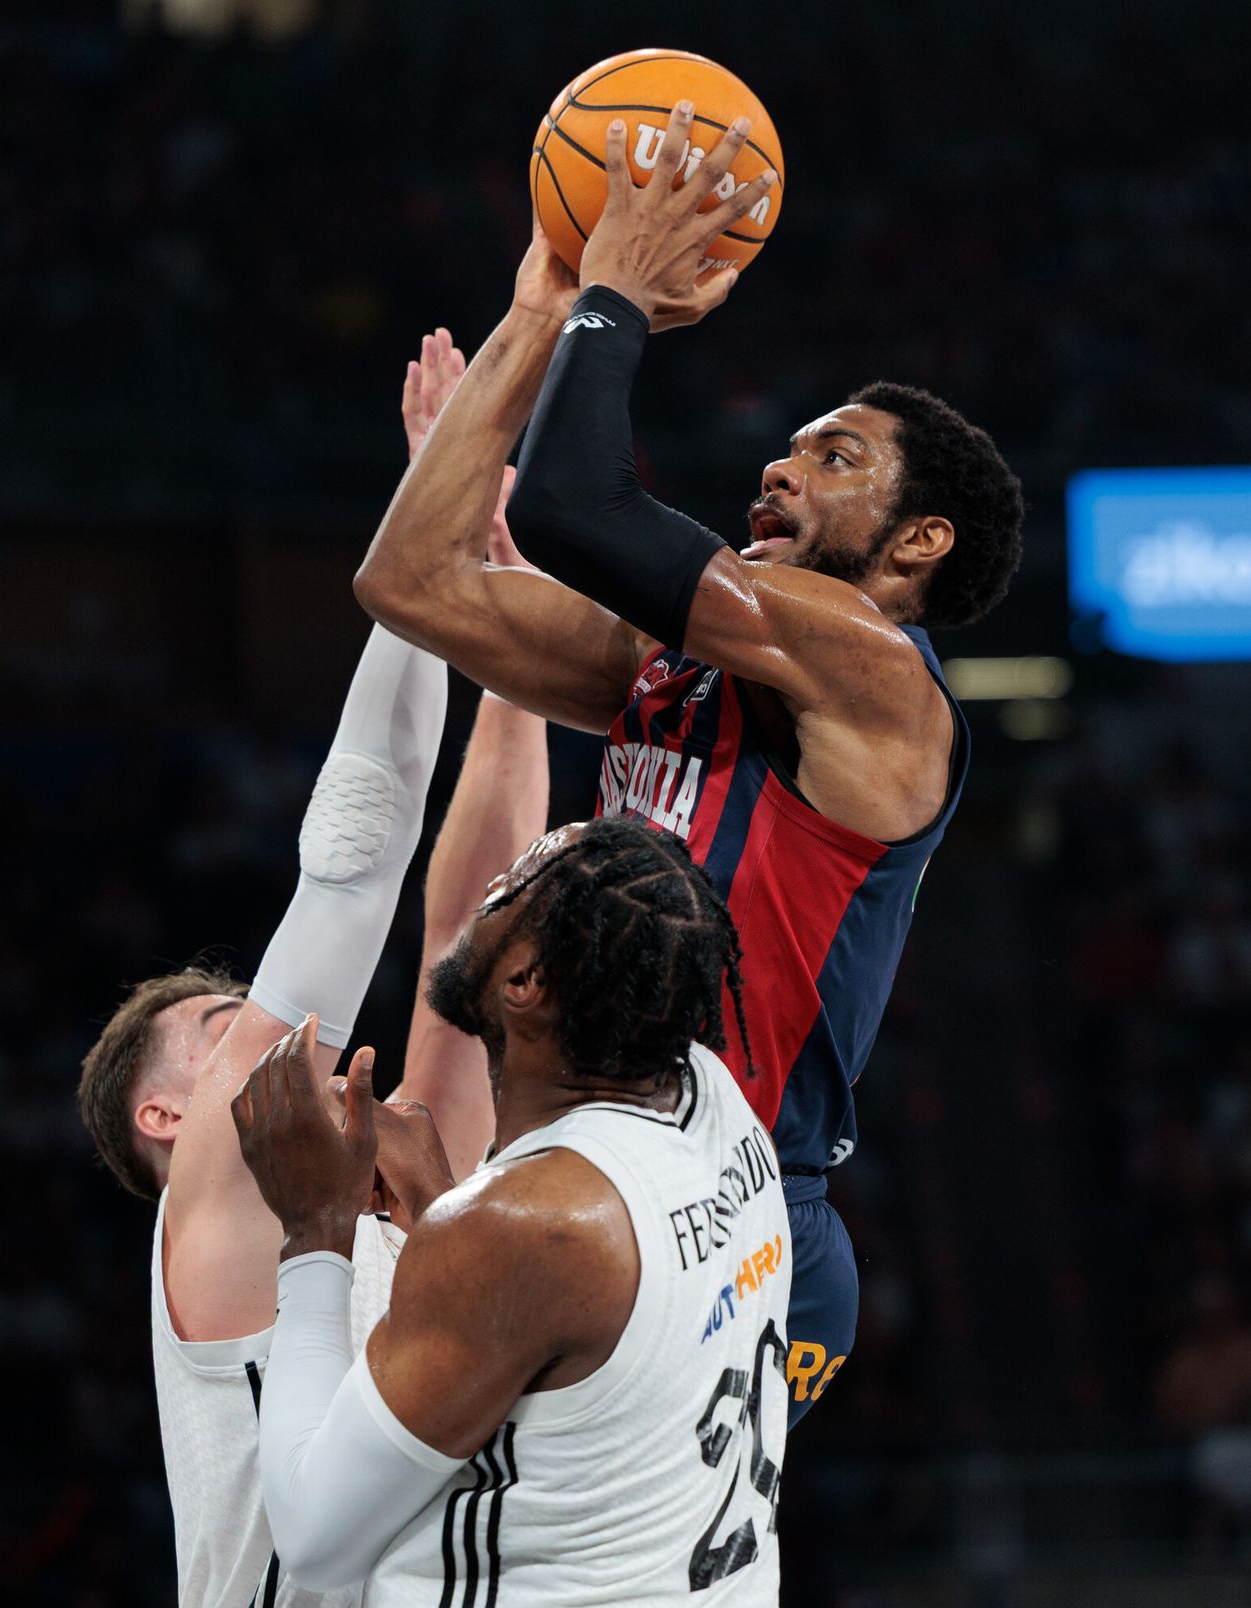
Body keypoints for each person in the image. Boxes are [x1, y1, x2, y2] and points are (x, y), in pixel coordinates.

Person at [352, 104, 1024, 1423]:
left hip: (732, 1196)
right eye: (791, 444)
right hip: (589, 1165)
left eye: (836, 458)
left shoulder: (875, 668)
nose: (780, 467)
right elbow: (410, 581)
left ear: (919, 543)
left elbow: (569, 510)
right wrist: (539, 304)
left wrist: (611, 294)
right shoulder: (684, 663)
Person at [75, 357, 550, 1608]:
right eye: (230, 1032)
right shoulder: (220, 1211)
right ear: (164, 1122)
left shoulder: (396, 1201)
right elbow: (353, 867)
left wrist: (504, 629)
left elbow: (485, 921)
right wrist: (427, 529)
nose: (296, 1049)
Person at [233, 818, 792, 1605]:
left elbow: (313, 1536)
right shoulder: (713, 1101)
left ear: (524, 983)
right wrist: (441, 1201)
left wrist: (314, 1226)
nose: (494, 879)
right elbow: (582, 1343)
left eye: (519, 876)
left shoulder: (532, 1225)